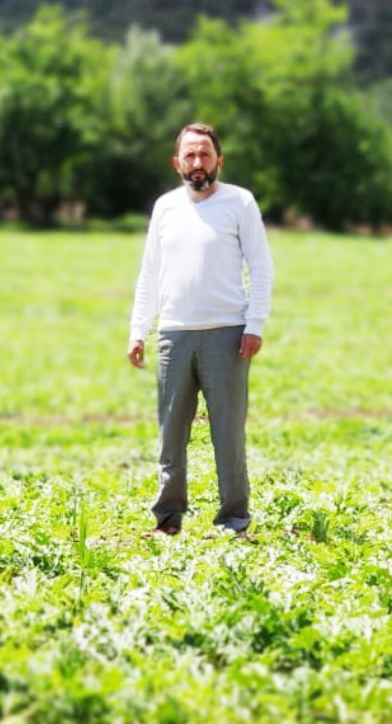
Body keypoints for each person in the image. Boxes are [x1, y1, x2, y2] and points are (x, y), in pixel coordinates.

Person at [127, 122, 273, 537]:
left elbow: (261, 266)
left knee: (227, 432)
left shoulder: (239, 203)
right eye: (189, 155)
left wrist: (255, 323)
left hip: (228, 334)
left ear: (219, 161)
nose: (197, 162)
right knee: (171, 435)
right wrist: (139, 329)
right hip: (174, 334)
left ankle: (234, 520)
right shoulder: (165, 207)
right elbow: (150, 272)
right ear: (177, 162)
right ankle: (168, 519)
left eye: (205, 155)